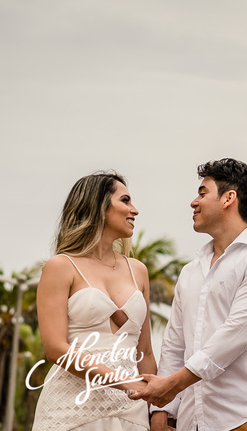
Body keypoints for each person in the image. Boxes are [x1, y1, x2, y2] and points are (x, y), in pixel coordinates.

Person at [132, 159, 247, 431]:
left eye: (203, 193)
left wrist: (170, 385)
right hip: (192, 422)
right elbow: (174, 345)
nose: (194, 202)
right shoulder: (190, 271)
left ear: (229, 198)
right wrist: (161, 412)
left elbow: (235, 335)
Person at [32, 172, 156, 431]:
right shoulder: (61, 266)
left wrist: (156, 410)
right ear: (99, 206)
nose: (135, 210)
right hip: (69, 412)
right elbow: (55, 348)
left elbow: (144, 352)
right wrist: (125, 382)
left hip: (131, 413)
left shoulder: (138, 270)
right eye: (125, 200)